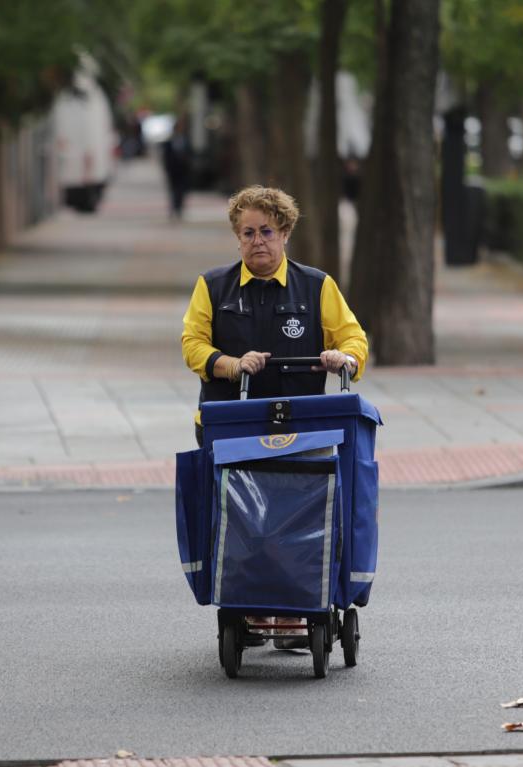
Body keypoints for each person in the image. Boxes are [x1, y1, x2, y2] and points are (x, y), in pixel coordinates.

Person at [180, 185, 369, 648]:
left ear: (284, 233)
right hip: (232, 421)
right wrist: (230, 364)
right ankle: (244, 611)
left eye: (266, 231)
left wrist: (341, 359)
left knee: (296, 520)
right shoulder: (213, 285)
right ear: (237, 237)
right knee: (238, 520)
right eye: (247, 232)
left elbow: (355, 340)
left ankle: (297, 612)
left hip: (301, 426)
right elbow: (193, 345)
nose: (257, 241)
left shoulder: (316, 285)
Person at [161, 115, 193, 220]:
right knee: (173, 191)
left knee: (181, 191)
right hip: (173, 171)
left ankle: (179, 209)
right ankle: (174, 208)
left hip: (183, 170)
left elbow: (189, 154)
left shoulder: (186, 140)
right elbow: (166, 157)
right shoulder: (168, 142)